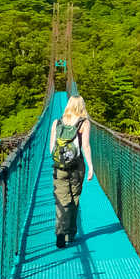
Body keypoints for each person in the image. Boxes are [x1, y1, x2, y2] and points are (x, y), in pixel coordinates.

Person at [50, 95, 95, 248]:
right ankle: (70, 233)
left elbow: (52, 148)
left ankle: (60, 233)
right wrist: (90, 166)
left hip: (59, 167)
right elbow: (86, 146)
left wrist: (61, 159)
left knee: (62, 199)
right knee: (74, 197)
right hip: (77, 166)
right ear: (82, 106)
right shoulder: (84, 123)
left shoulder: (57, 122)